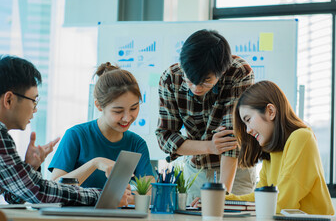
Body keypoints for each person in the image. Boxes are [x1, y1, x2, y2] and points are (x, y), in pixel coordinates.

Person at [0, 55, 130, 206]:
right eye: (33, 100)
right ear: (9, 99)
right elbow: (39, 193)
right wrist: (102, 195)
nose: (35, 110)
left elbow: (15, 196)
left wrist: (29, 166)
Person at [156, 29, 257, 204]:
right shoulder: (170, 79)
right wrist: (210, 146)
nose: (196, 88)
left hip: (236, 171)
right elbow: (165, 137)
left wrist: (221, 197)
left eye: (206, 81)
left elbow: (231, 141)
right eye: (189, 80)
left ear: (222, 71)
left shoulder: (238, 73)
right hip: (197, 169)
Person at [227, 80, 334, 215]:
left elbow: (282, 203)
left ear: (270, 111)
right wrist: (222, 200)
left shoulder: (302, 137)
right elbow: (259, 198)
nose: (247, 130)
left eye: (248, 120)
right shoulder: (270, 151)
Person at [49, 62, 154, 193]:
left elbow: (150, 192)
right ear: (98, 105)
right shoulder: (76, 135)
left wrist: (128, 196)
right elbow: (53, 187)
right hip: (77, 213)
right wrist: (95, 163)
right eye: (118, 111)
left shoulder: (137, 144)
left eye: (134, 108)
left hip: (119, 213)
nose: (127, 118)